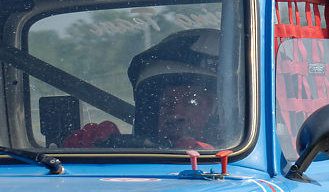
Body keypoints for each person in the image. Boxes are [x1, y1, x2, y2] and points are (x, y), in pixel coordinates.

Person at [61, 30, 224, 151]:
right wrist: (95, 151)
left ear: (220, 111)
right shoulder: (135, 164)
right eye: (165, 104)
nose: (175, 114)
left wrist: (208, 157)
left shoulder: (236, 168)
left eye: (192, 102)